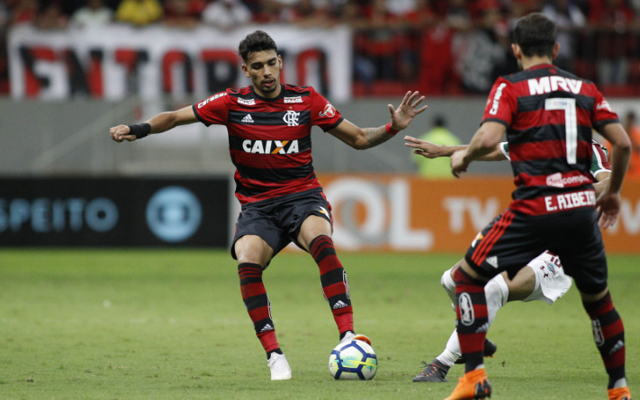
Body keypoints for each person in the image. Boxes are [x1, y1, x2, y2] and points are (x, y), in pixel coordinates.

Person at [109, 30, 427, 381]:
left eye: (272, 63)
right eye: (257, 66)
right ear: (246, 70)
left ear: (280, 63)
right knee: (247, 258)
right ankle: (275, 355)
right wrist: (137, 128)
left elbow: (359, 138)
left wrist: (392, 128)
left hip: (302, 197)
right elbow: (173, 117)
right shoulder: (231, 103)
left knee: (321, 241)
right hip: (258, 208)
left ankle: (348, 335)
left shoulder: (306, 100)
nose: (267, 72)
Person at [444, 13, 631, 400]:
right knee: (599, 302)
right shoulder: (585, 87)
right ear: (556, 49)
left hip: (533, 209)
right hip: (580, 209)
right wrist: (612, 191)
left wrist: (463, 157)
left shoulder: (510, 86)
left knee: (466, 278)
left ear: (515, 50)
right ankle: (619, 389)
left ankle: (474, 379)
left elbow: (490, 135)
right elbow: (624, 144)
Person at [404, 137, 612, 382]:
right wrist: (442, 151)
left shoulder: (588, 146)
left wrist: (572, 196)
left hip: (561, 249)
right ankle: (473, 332)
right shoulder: (535, 135)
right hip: (525, 236)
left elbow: (608, 182)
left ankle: (441, 365)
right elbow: (494, 150)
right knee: (451, 280)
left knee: (494, 288)